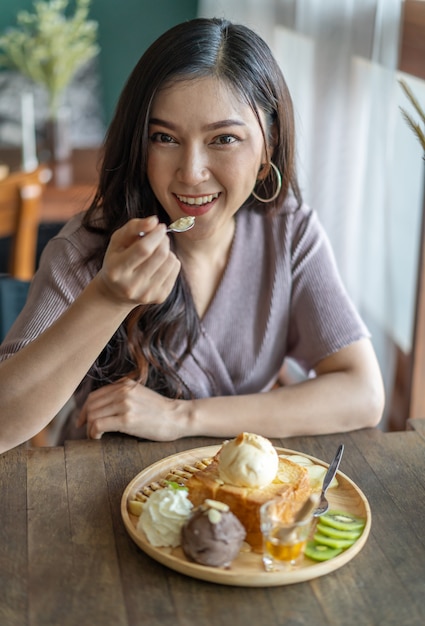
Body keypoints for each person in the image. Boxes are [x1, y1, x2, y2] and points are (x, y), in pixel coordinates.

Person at [0, 17, 384, 453]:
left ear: (267, 149)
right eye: (164, 137)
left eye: (223, 139)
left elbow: (364, 393)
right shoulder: (86, 249)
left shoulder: (290, 234)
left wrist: (181, 417)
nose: (191, 172)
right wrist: (108, 296)